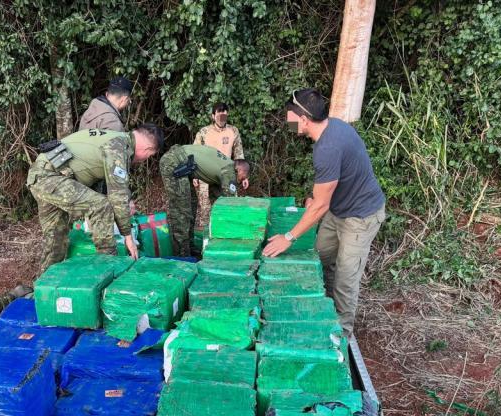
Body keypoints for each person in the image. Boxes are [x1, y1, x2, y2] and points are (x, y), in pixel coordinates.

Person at [262, 88, 387, 337]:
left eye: (290, 117)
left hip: (360, 217)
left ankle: (339, 338)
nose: (288, 122)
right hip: (337, 209)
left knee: (345, 279)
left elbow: (321, 204)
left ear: (304, 120)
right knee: (320, 257)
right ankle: (324, 306)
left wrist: (288, 237)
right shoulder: (333, 128)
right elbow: (326, 189)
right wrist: (317, 200)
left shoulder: (327, 148)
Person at [27, 124, 164, 272]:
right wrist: (128, 236)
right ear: (148, 149)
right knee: (100, 206)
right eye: (149, 156)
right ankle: (108, 267)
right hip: (50, 177)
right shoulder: (118, 147)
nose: (144, 160)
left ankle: (46, 282)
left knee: (56, 236)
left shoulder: (115, 138)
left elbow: (97, 176)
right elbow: (118, 197)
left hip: (42, 176)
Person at [159, 144, 250, 257]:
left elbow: (217, 201)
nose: (240, 181)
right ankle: (181, 255)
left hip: (183, 165)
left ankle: (189, 247)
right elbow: (231, 205)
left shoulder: (224, 168)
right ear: (239, 170)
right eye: (242, 178)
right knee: (182, 210)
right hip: (174, 161)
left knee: (191, 206)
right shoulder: (228, 172)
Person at [194, 103, 247, 226]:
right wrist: (195, 175)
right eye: (219, 114)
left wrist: (244, 176)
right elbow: (196, 154)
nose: (222, 117)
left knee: (231, 204)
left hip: (227, 174)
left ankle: (229, 233)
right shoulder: (204, 132)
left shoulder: (233, 131)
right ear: (213, 116)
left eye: (224, 114)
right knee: (206, 209)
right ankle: (206, 239)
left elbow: (239, 155)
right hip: (206, 174)